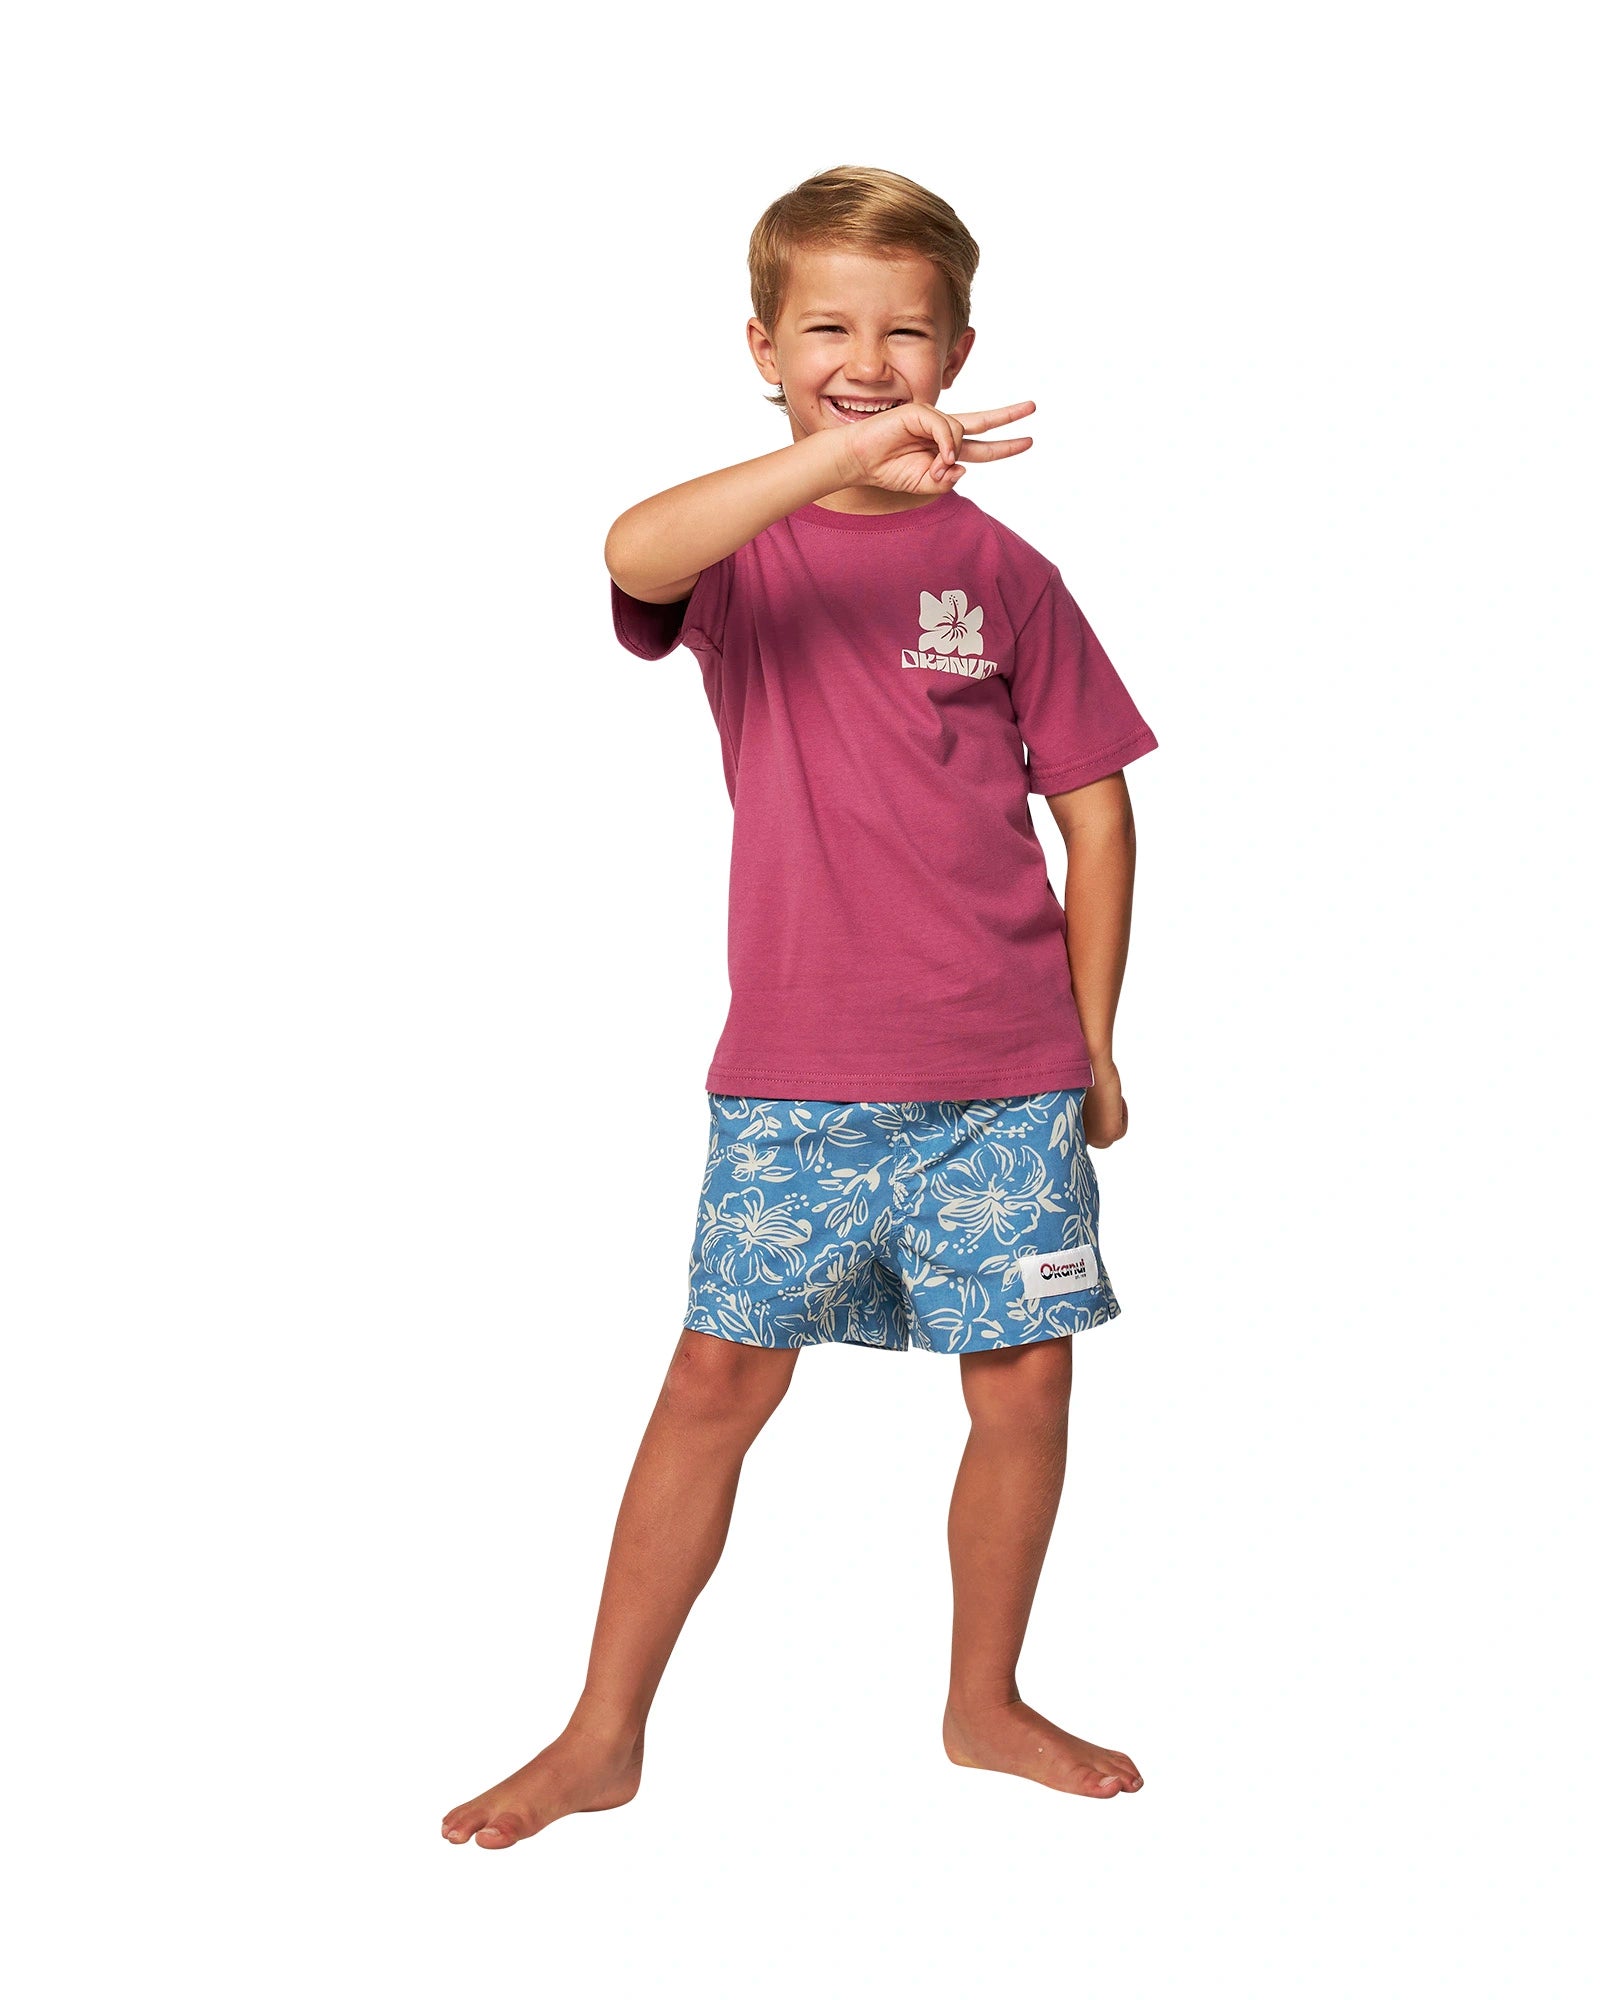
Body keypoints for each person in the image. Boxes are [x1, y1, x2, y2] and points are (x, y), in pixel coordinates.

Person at [442, 164, 1156, 1850]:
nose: (868, 354)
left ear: (962, 344)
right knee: (715, 1385)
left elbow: (1100, 808)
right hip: (797, 1081)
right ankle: (602, 1732)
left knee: (1027, 1384)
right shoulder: (743, 560)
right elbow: (631, 549)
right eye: (827, 326)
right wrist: (833, 459)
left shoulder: (1009, 573)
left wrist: (1098, 1041)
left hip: (1003, 1077)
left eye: (906, 330)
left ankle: (981, 1701)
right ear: (760, 348)